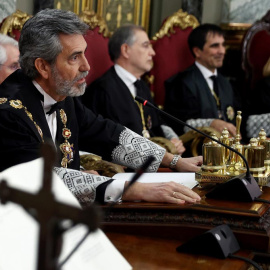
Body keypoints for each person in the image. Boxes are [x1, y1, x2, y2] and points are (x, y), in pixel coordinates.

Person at [0, 9, 201, 206]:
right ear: (43, 66)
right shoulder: (8, 112)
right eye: (74, 57)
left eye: (84, 54)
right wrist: (136, 189)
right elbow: (41, 179)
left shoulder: (61, 93)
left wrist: (174, 161)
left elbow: (105, 133)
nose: (87, 66)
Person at [81, 24, 185, 155]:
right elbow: (99, 139)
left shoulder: (142, 86)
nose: (152, 52)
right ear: (125, 50)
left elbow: (156, 124)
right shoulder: (101, 90)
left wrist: (172, 140)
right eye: (146, 45)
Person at [164, 24, 237, 136]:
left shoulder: (226, 82)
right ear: (197, 51)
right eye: (215, 46)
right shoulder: (181, 83)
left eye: (223, 45)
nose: (222, 51)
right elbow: (178, 125)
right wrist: (211, 124)